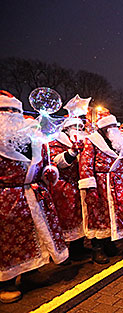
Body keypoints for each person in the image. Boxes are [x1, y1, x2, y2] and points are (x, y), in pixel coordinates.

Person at [0, 91, 68, 303]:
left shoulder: (33, 140)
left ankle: (30, 272)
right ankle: (6, 281)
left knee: (33, 236)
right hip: (6, 197)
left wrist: (49, 171)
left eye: (15, 111)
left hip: (31, 194)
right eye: (6, 110)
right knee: (8, 241)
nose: (11, 115)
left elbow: (44, 164)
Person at [78, 111, 123, 264]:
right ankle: (97, 248)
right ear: (103, 128)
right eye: (110, 126)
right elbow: (85, 165)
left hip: (116, 183)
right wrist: (90, 188)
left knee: (113, 215)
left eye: (115, 125)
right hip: (101, 184)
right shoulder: (91, 141)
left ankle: (109, 243)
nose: (114, 128)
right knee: (98, 215)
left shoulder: (117, 143)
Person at [49, 116, 89, 261]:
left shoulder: (83, 141)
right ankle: (62, 254)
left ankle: (78, 248)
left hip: (78, 184)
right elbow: (55, 162)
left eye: (81, 127)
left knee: (79, 217)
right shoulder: (55, 141)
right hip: (62, 186)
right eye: (76, 127)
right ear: (67, 129)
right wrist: (71, 152)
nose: (79, 130)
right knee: (64, 219)